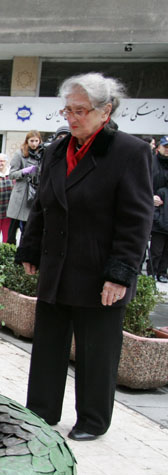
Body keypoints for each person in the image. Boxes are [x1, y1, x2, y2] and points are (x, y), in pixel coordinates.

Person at [15, 73, 153, 442]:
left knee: (96, 351)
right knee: (47, 345)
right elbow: (42, 206)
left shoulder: (129, 152)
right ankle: (41, 412)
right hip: (57, 265)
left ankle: (93, 420)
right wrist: (30, 247)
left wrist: (120, 274)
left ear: (105, 111)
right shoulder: (58, 149)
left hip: (98, 271)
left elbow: (136, 221)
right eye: (68, 110)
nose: (72, 118)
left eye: (81, 111)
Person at [6, 130, 43, 245]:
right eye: (32, 141)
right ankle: (9, 250)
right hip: (21, 194)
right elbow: (11, 174)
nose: (34, 144)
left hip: (34, 194)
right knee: (13, 227)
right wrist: (24, 171)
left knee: (28, 229)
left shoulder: (41, 155)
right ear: (27, 141)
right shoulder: (20, 154)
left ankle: (23, 252)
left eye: (36, 141)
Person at [150, 136, 168, 282]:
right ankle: (152, 272)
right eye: (165, 147)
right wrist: (150, 197)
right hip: (153, 212)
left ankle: (162, 272)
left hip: (166, 211)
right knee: (155, 248)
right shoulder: (151, 163)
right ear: (158, 147)